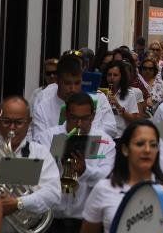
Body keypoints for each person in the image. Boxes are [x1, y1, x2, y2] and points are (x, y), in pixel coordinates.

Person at [36, 93, 116, 232]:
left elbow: (107, 179)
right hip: (51, 220)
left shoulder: (104, 141)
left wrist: (85, 172)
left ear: (93, 116)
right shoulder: (49, 137)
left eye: (85, 118)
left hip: (86, 221)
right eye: (74, 118)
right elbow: (35, 174)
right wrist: (55, 164)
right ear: (66, 114)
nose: (79, 124)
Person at [80, 119, 163, 233]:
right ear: (125, 149)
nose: (147, 150)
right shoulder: (104, 189)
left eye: (153, 145)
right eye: (140, 144)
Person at [0, 97, 60, 233]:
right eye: (6, 121)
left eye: (18, 123)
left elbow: (53, 193)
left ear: (29, 123)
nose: (12, 127)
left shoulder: (40, 153)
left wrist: (18, 203)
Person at [31, 53, 117, 140]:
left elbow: (111, 129)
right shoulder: (42, 107)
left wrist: (88, 132)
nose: (73, 89)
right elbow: (38, 139)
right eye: (67, 83)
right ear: (57, 81)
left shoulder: (98, 98)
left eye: (77, 83)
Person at [102, 61, 143, 136]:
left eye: (115, 75)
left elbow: (134, 119)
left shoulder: (129, 94)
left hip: (120, 136)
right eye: (109, 75)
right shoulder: (100, 93)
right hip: (103, 136)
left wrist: (118, 106)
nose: (112, 78)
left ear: (121, 77)